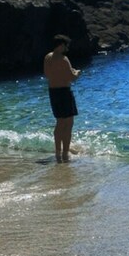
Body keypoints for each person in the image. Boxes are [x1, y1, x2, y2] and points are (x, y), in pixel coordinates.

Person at [44, 34, 81, 162]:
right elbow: (72, 77)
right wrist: (77, 72)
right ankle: (65, 152)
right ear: (60, 45)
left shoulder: (47, 57)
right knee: (69, 123)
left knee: (59, 122)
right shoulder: (64, 59)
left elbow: (47, 74)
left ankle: (57, 151)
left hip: (53, 92)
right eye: (66, 45)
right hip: (64, 92)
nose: (67, 48)